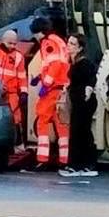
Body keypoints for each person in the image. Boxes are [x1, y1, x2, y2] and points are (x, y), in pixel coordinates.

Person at [30, 17, 71, 170]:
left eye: (35, 34)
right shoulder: (59, 41)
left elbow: (54, 65)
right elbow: (58, 65)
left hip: (52, 89)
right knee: (61, 124)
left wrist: (45, 84)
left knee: (42, 121)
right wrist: (39, 77)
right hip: (62, 88)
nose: (35, 37)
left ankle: (43, 158)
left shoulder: (48, 43)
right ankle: (64, 160)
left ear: (40, 32)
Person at [61, 33, 100, 178]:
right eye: (69, 42)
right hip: (79, 101)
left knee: (80, 132)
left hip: (85, 101)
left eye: (72, 44)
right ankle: (82, 165)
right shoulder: (75, 63)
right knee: (81, 132)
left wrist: (89, 88)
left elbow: (91, 77)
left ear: (80, 48)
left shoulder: (84, 63)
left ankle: (78, 165)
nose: (68, 46)